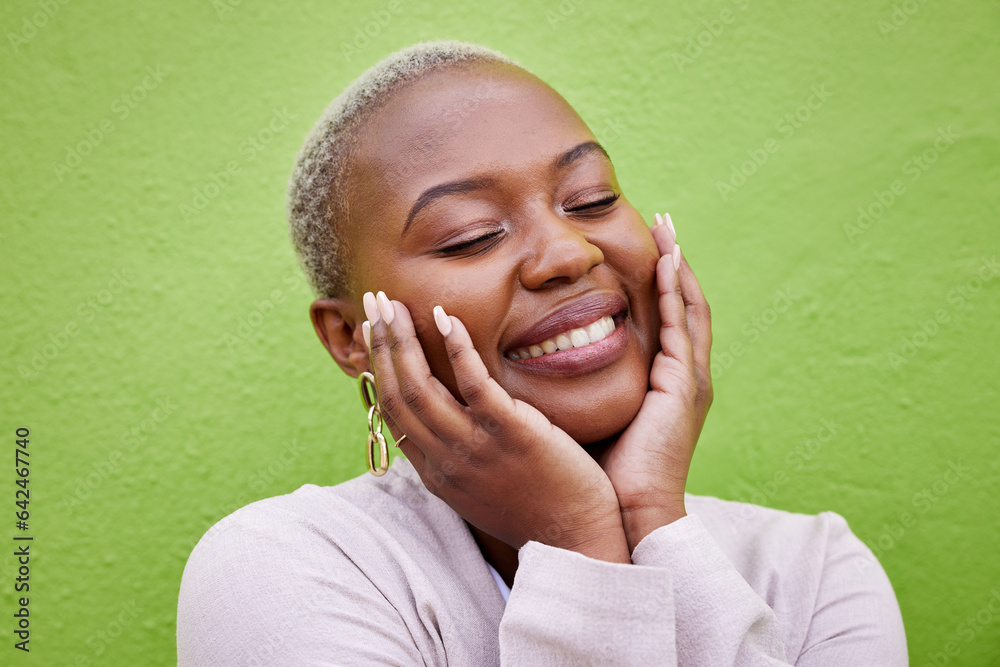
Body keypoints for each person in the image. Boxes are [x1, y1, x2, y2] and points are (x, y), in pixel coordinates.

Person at [177, 41, 908, 665]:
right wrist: (579, 542)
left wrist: (654, 519)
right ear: (351, 336)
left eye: (591, 199)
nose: (568, 250)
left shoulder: (813, 569)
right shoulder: (280, 566)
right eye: (469, 235)